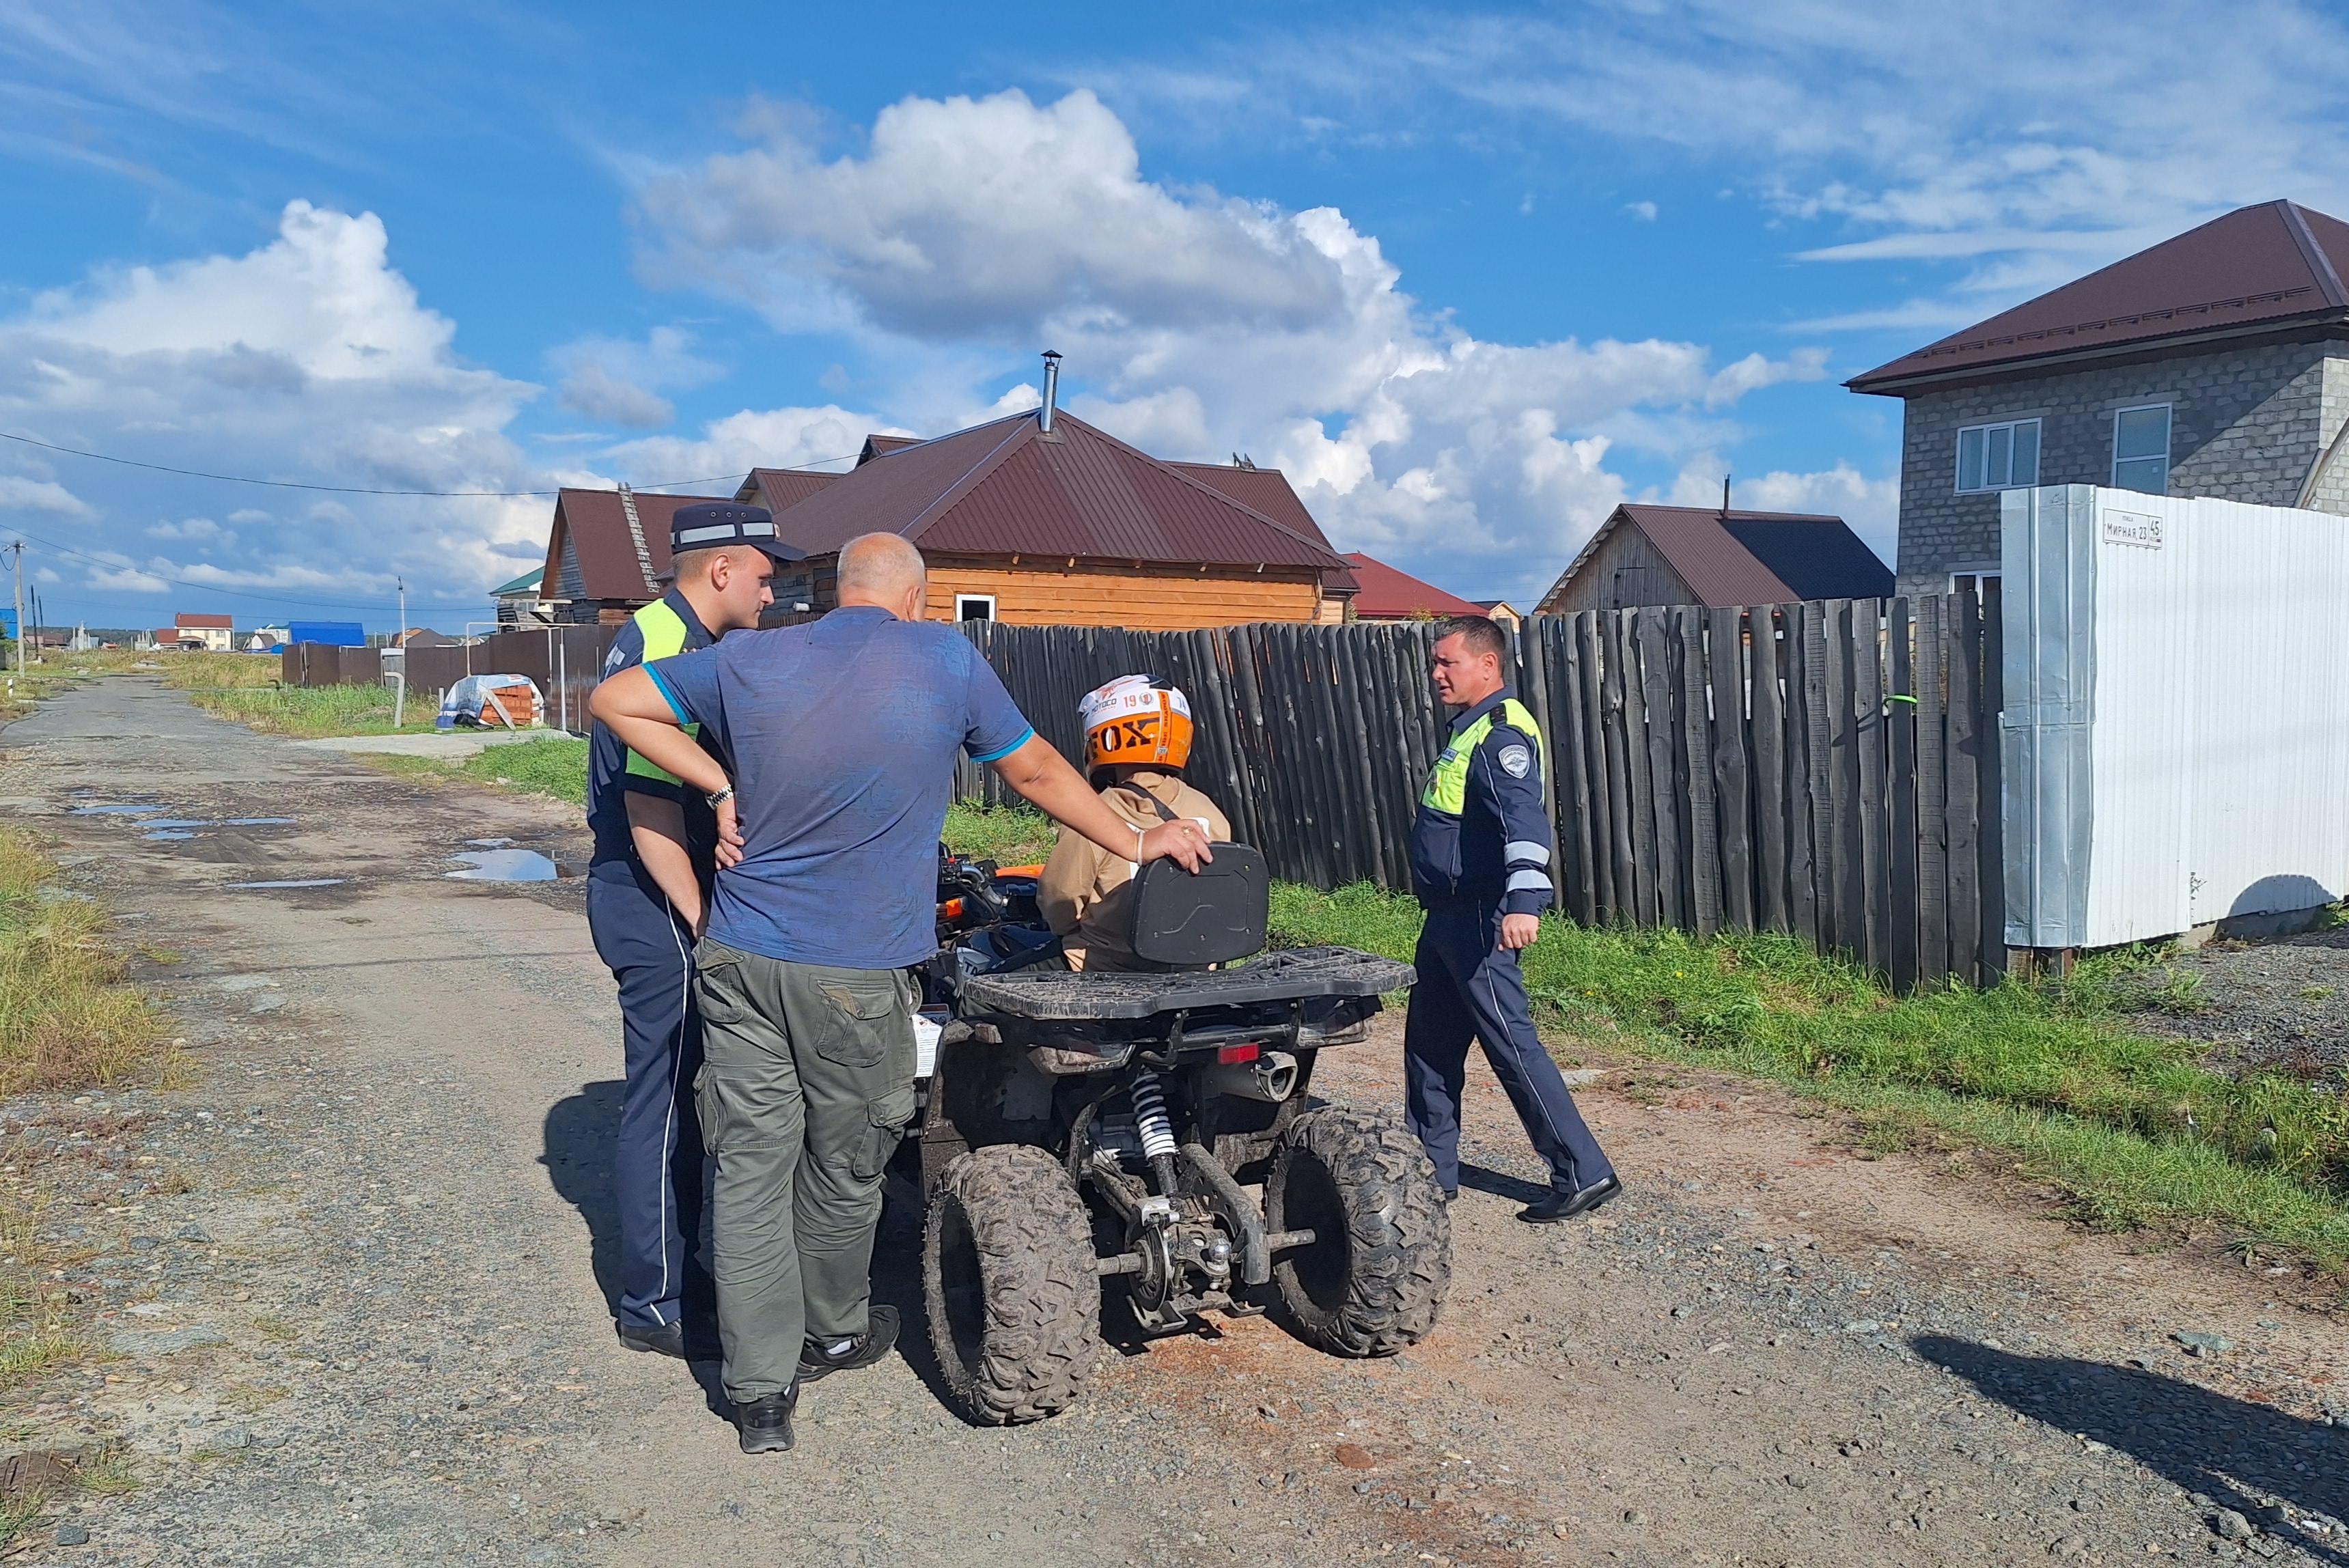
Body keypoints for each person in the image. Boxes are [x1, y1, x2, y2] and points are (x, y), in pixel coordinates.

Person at [588, 532, 1210, 1455]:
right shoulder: (942, 659)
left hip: (740, 957)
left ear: (838, 590)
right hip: (856, 966)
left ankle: (760, 1398)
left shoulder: (747, 657)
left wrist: (718, 784)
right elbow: (1036, 769)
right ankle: (833, 1333)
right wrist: (1138, 841)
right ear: (914, 598)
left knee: (750, 1170)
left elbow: (612, 700)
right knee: (844, 1164)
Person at [585, 501, 802, 1360]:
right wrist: (703, 921)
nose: (771, 593)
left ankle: (685, 1267)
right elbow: (649, 808)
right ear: (721, 569)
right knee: (667, 1096)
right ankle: (655, 1304)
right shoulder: (669, 643)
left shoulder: (671, 633)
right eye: (764, 576)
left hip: (661, 885)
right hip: (651, 889)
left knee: (687, 1092)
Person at [1403, 614, 1621, 1225]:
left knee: (1510, 1045)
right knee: (1428, 1047)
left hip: (1481, 916)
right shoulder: (1468, 729)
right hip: (1446, 916)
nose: (1436, 673)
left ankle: (1583, 1172)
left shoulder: (1500, 735)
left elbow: (1523, 822)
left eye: (1447, 662)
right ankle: (1429, 1169)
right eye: (1435, 662)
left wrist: (1525, 901)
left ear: (1487, 665)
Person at [1039, 675, 1231, 972]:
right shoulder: (1210, 812)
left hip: (1104, 968)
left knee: (985, 985)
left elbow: (1060, 904)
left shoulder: (1091, 814)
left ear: (1105, 738)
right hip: (1194, 969)